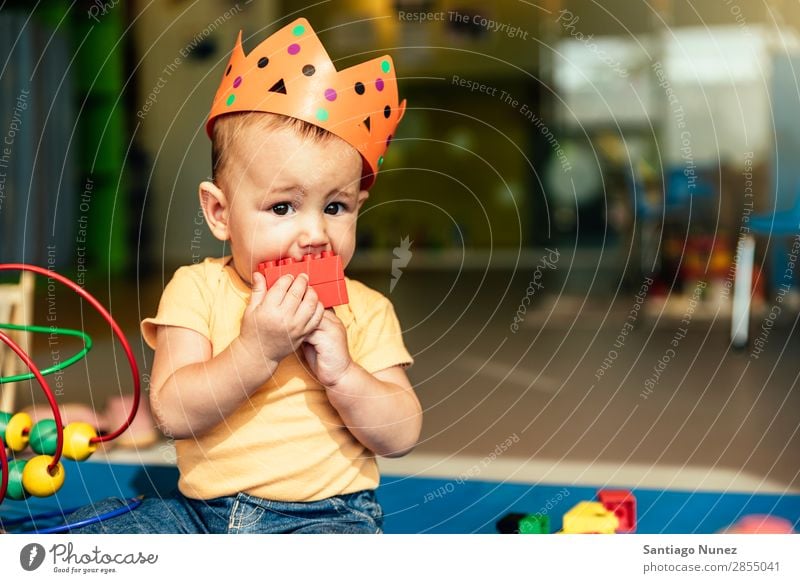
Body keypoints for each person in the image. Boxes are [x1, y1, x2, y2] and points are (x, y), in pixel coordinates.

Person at [67, 18, 420, 533]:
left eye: (337, 207)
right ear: (219, 214)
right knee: (90, 538)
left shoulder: (365, 310)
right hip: (200, 515)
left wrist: (343, 373)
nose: (316, 233)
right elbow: (173, 414)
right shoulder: (197, 290)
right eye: (282, 208)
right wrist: (256, 349)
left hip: (327, 518)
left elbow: (401, 434)